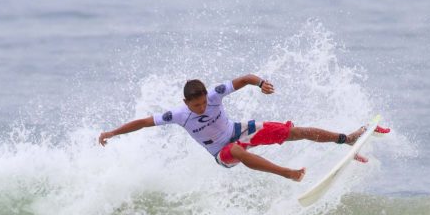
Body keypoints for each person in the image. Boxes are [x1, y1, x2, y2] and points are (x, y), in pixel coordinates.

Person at [98, 74, 389, 181]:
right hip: (221, 152)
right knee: (235, 149)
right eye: (195, 106)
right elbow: (143, 123)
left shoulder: (214, 94)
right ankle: (287, 174)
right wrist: (112, 132)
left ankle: (346, 138)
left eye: (202, 104)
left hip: (239, 131)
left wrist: (261, 84)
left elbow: (246, 78)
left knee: (293, 131)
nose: (201, 108)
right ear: (186, 102)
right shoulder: (177, 114)